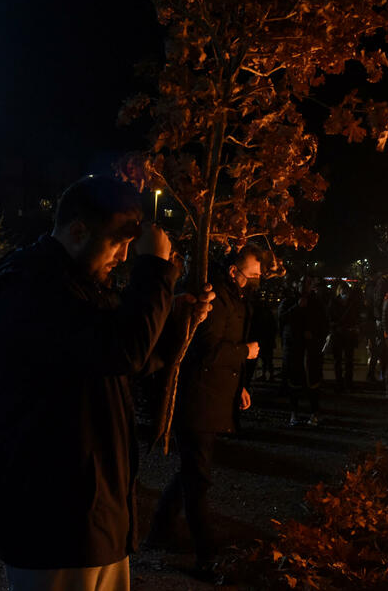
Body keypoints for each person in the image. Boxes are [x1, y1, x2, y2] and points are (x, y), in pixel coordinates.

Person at [0, 176, 213, 591]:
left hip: (96, 510)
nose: (124, 257)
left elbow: (129, 362)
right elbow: (123, 351)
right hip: (52, 513)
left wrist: (176, 321)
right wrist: (155, 271)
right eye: (119, 243)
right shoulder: (28, 289)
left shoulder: (79, 288)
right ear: (78, 231)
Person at [147, 245, 264, 573]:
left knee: (192, 470)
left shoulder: (236, 299)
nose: (255, 281)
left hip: (212, 399)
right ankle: (205, 554)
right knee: (198, 478)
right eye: (251, 275)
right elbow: (207, 352)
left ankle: (159, 530)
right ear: (233, 271)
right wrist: (245, 352)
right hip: (198, 399)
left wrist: (239, 386)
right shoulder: (215, 300)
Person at [279, 275, 327, 425]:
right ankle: (294, 413)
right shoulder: (289, 301)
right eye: (301, 282)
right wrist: (297, 307)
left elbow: (324, 324)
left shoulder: (317, 303)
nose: (304, 286)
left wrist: (314, 335)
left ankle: (314, 412)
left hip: (311, 350)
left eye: (307, 283)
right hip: (294, 349)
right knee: (294, 383)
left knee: (313, 382)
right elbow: (282, 320)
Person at [327, 282, 360, 392]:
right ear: (339, 291)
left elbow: (356, 317)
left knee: (348, 361)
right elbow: (330, 318)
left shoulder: (351, 303)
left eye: (346, 290)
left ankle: (348, 383)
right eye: (342, 290)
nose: (344, 293)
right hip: (338, 334)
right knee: (338, 361)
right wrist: (335, 327)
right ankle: (339, 383)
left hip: (348, 334)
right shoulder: (334, 302)